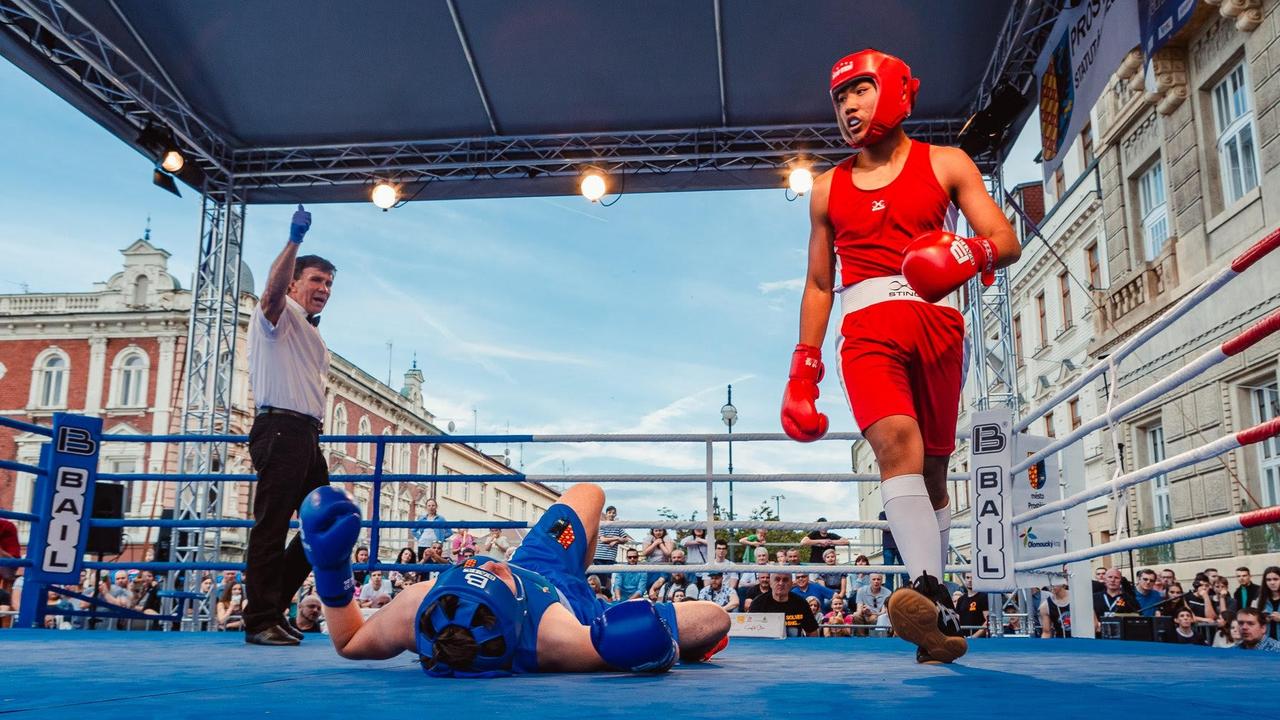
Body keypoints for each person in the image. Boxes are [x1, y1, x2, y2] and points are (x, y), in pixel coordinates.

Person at [780, 49, 1019, 664]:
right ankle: (927, 586)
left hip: (938, 324)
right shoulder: (828, 187)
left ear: (892, 91)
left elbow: (1004, 239)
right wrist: (803, 368)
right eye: (839, 98)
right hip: (866, 329)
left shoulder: (946, 162)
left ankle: (934, 621)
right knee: (897, 444)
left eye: (859, 90)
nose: (849, 107)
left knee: (934, 472)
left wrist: (967, 257)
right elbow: (817, 283)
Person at [297, 482, 730, 675]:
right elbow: (715, 617)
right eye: (494, 576)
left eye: (471, 569)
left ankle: (575, 559)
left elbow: (350, 643)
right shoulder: (562, 642)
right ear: (517, 617)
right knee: (701, 623)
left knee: (587, 495)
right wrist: (663, 648)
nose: (489, 563)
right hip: (581, 607)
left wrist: (330, 568)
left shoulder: (423, 604)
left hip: (543, 558)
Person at [244, 204, 334, 646]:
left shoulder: (311, 332)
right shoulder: (274, 319)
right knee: (272, 524)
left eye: (330, 283)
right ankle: (260, 619)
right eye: (316, 280)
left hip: (306, 436)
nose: (324, 288)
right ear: (295, 282)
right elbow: (270, 294)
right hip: (279, 429)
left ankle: (270, 606)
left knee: (330, 521)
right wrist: (294, 239)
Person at [750, 573, 819, 637]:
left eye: (785, 580)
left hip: (794, 647)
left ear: (791, 584)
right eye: (777, 579)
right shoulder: (758, 603)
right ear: (770, 583)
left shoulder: (801, 603)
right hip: (766, 646)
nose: (781, 583)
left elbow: (812, 632)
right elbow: (751, 631)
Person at [591, 506, 633, 595]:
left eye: (613, 513)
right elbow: (603, 539)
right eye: (610, 512)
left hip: (610, 557)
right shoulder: (602, 525)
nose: (612, 514)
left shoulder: (618, 527)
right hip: (599, 555)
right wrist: (617, 538)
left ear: (616, 514)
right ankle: (599, 595)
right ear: (606, 514)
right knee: (599, 577)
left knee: (608, 577)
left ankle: (608, 595)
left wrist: (615, 541)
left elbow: (626, 539)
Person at [954, 572, 989, 637]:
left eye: (972, 578)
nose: (970, 580)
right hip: (964, 638)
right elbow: (957, 621)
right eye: (967, 577)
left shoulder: (983, 597)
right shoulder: (961, 599)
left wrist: (974, 636)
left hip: (980, 640)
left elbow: (988, 620)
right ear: (964, 580)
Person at [1254, 565, 1280, 641]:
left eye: (1275, 579)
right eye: (1268, 580)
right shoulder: (1260, 599)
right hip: (1266, 642)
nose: (1272, 582)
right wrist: (1262, 619)